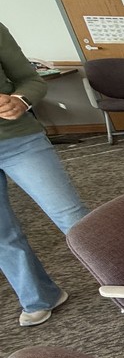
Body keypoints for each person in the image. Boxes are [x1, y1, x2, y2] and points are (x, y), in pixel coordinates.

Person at [0, 22, 89, 327]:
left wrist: (20, 99)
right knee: (2, 234)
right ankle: (40, 297)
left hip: (18, 140)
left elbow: (29, 79)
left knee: (71, 216)